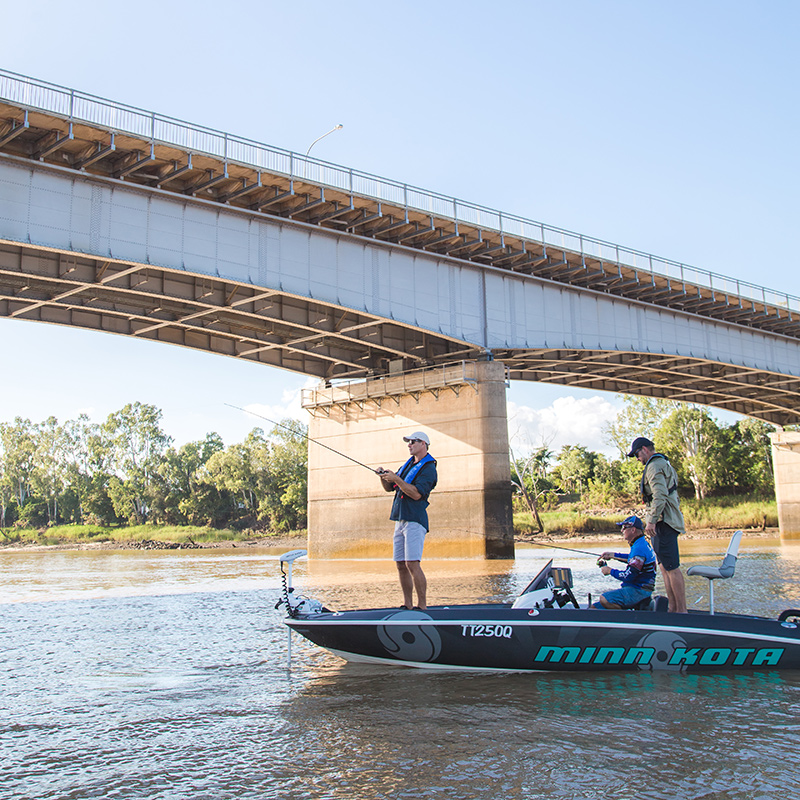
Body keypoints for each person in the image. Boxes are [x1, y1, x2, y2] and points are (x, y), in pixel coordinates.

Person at [376, 431, 438, 610]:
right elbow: (390, 488)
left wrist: (396, 478)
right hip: (400, 519)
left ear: (424, 444)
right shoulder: (409, 465)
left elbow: (417, 494)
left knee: (412, 563)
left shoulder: (428, 468)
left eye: (413, 441)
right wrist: (384, 477)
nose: (409, 444)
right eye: (408, 442)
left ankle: (423, 606)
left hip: (415, 520)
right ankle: (407, 605)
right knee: (401, 564)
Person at [628, 436, 688, 613]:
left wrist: (651, 521)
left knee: (672, 567)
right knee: (664, 567)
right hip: (664, 522)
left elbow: (659, 495)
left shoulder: (654, 466)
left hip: (663, 523)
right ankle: (673, 609)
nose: (637, 459)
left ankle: (681, 612)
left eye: (637, 454)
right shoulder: (662, 463)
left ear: (645, 449)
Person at [591, 515, 657, 609]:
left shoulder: (639, 548)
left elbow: (628, 576)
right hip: (638, 589)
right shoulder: (641, 543)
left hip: (638, 591)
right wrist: (613, 555)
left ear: (633, 530)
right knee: (594, 608)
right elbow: (632, 559)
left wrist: (610, 571)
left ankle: (626, 617)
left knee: (604, 599)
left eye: (624, 527)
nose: (622, 531)